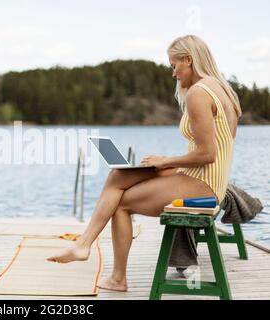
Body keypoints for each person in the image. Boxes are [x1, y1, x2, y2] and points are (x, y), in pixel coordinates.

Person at [46, 35, 242, 292]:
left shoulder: (198, 93)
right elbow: (213, 150)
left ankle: (112, 273)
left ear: (188, 60)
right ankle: (84, 245)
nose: (173, 73)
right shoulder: (223, 90)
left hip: (203, 185)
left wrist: (166, 160)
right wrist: (170, 167)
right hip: (203, 178)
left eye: (174, 65)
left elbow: (208, 154)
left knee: (121, 204)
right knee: (119, 176)